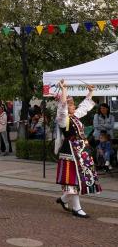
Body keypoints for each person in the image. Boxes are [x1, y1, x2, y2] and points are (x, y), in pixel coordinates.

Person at [54, 80, 100, 218]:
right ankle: (77, 208)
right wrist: (63, 90)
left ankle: (63, 200)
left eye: (73, 104)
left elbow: (84, 107)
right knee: (73, 179)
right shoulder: (63, 119)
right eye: (70, 105)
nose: (73, 106)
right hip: (69, 152)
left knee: (79, 179)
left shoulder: (75, 116)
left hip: (80, 151)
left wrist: (90, 92)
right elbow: (62, 107)